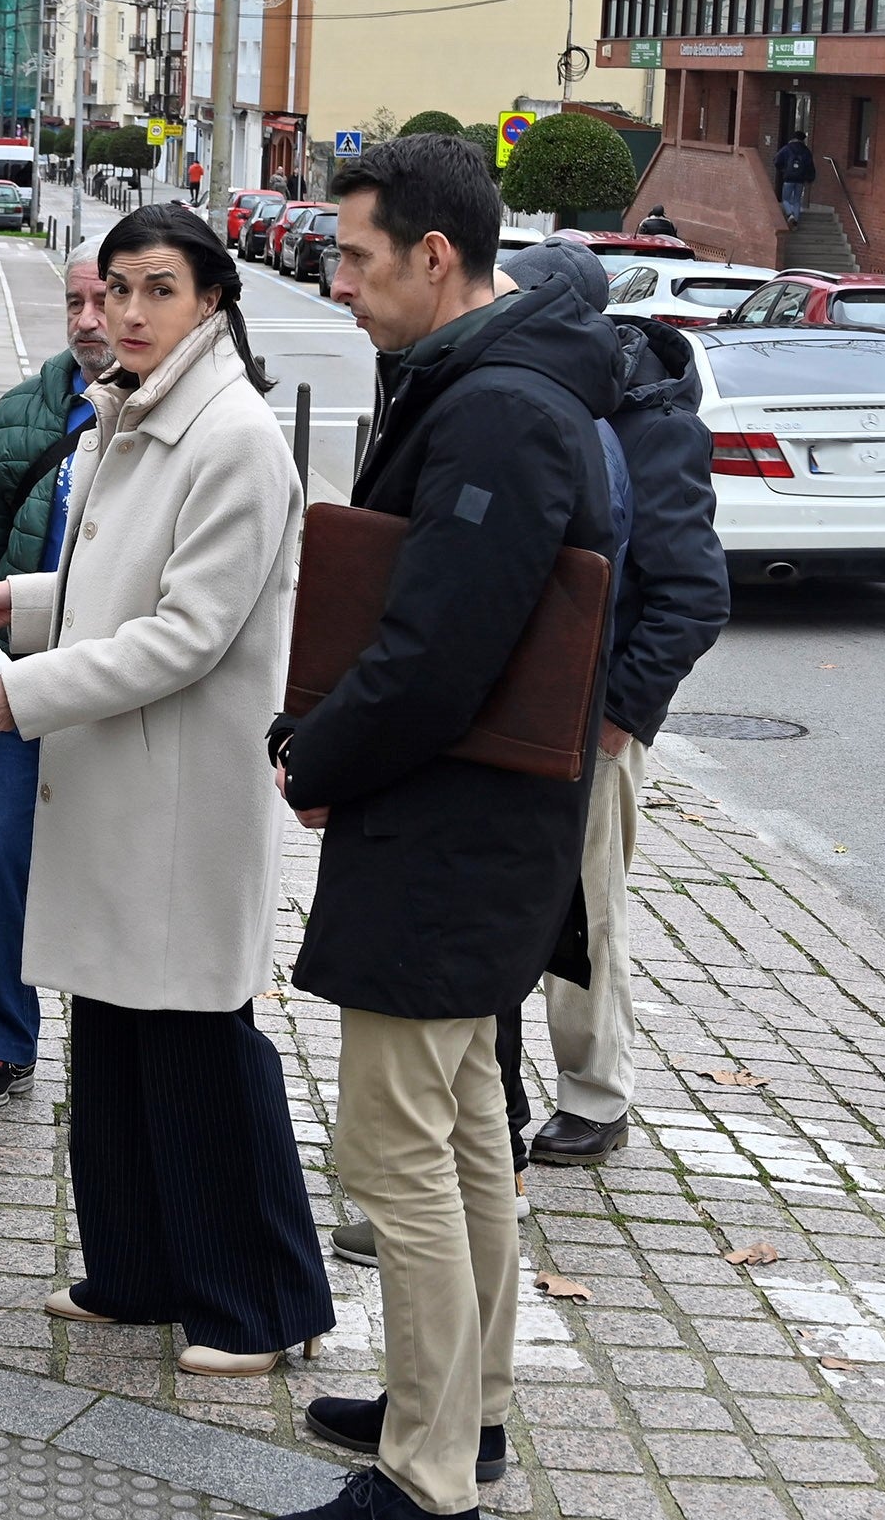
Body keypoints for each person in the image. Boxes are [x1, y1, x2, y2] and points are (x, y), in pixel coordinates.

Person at [275, 134, 621, 1520]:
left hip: (448, 833)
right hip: (476, 831)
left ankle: (426, 1478)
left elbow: (436, 652)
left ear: (433, 255)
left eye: (354, 258)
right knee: (469, 1127)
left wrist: (315, 751)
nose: (338, 283)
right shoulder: (497, 387)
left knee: (394, 1151)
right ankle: (460, 1411)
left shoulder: (500, 411)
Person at [0, 204, 334, 1379]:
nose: (126, 313)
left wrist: (20, 694)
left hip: (175, 800)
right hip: (117, 784)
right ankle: (137, 1271)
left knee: (200, 1050)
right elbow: (115, 584)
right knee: (111, 1037)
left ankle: (259, 1306)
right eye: (114, 291)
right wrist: (23, 601)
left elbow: (188, 635)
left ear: (213, 298)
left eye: (156, 290)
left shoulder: (233, 437)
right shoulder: (137, 411)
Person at [500, 241, 727, 1169]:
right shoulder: (542, 393)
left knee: (586, 908)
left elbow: (693, 594)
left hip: (596, 714)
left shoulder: (651, 425)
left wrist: (619, 715)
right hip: (521, 704)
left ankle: (596, 1095)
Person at [0, 256, 111, 1112]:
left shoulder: (178, 428)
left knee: (112, 865)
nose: (86, 317)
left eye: (103, 298)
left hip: (119, 686)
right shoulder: (22, 416)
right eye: (73, 300)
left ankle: (123, 1043)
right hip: (14, 681)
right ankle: (4, 1042)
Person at [775, 131, 816, 223]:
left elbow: (777, 160)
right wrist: (810, 178)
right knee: (797, 201)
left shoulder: (786, 148)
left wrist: (783, 169)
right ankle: (796, 221)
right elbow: (810, 165)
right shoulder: (806, 150)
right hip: (800, 179)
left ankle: (790, 215)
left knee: (785, 199)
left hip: (788, 178)